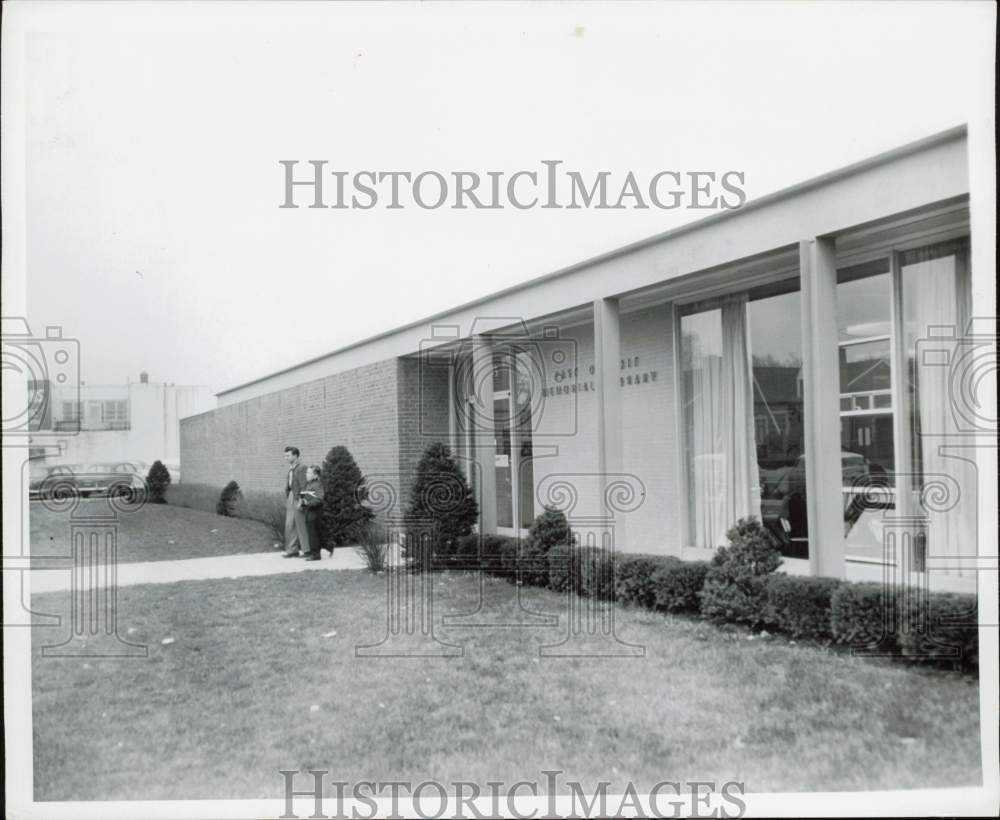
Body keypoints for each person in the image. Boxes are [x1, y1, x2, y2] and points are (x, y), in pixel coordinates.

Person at [282, 446, 309, 557]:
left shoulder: (302, 468)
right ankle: (292, 550)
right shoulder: (291, 469)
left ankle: (307, 550)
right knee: (290, 525)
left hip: (299, 497)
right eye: (285, 456)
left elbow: (304, 485)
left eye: (288, 455)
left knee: (301, 524)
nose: (286, 458)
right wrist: (288, 497)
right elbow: (289, 485)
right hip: (291, 496)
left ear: (295, 455)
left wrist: (302, 500)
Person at [298, 465, 326, 561]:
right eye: (307, 472)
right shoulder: (309, 484)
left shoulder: (317, 484)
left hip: (315, 512)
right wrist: (302, 502)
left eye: (309, 473)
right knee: (312, 533)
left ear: (315, 475)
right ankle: (325, 547)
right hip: (309, 511)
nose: (306, 474)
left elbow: (319, 499)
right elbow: (306, 495)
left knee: (314, 533)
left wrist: (308, 503)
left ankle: (316, 555)